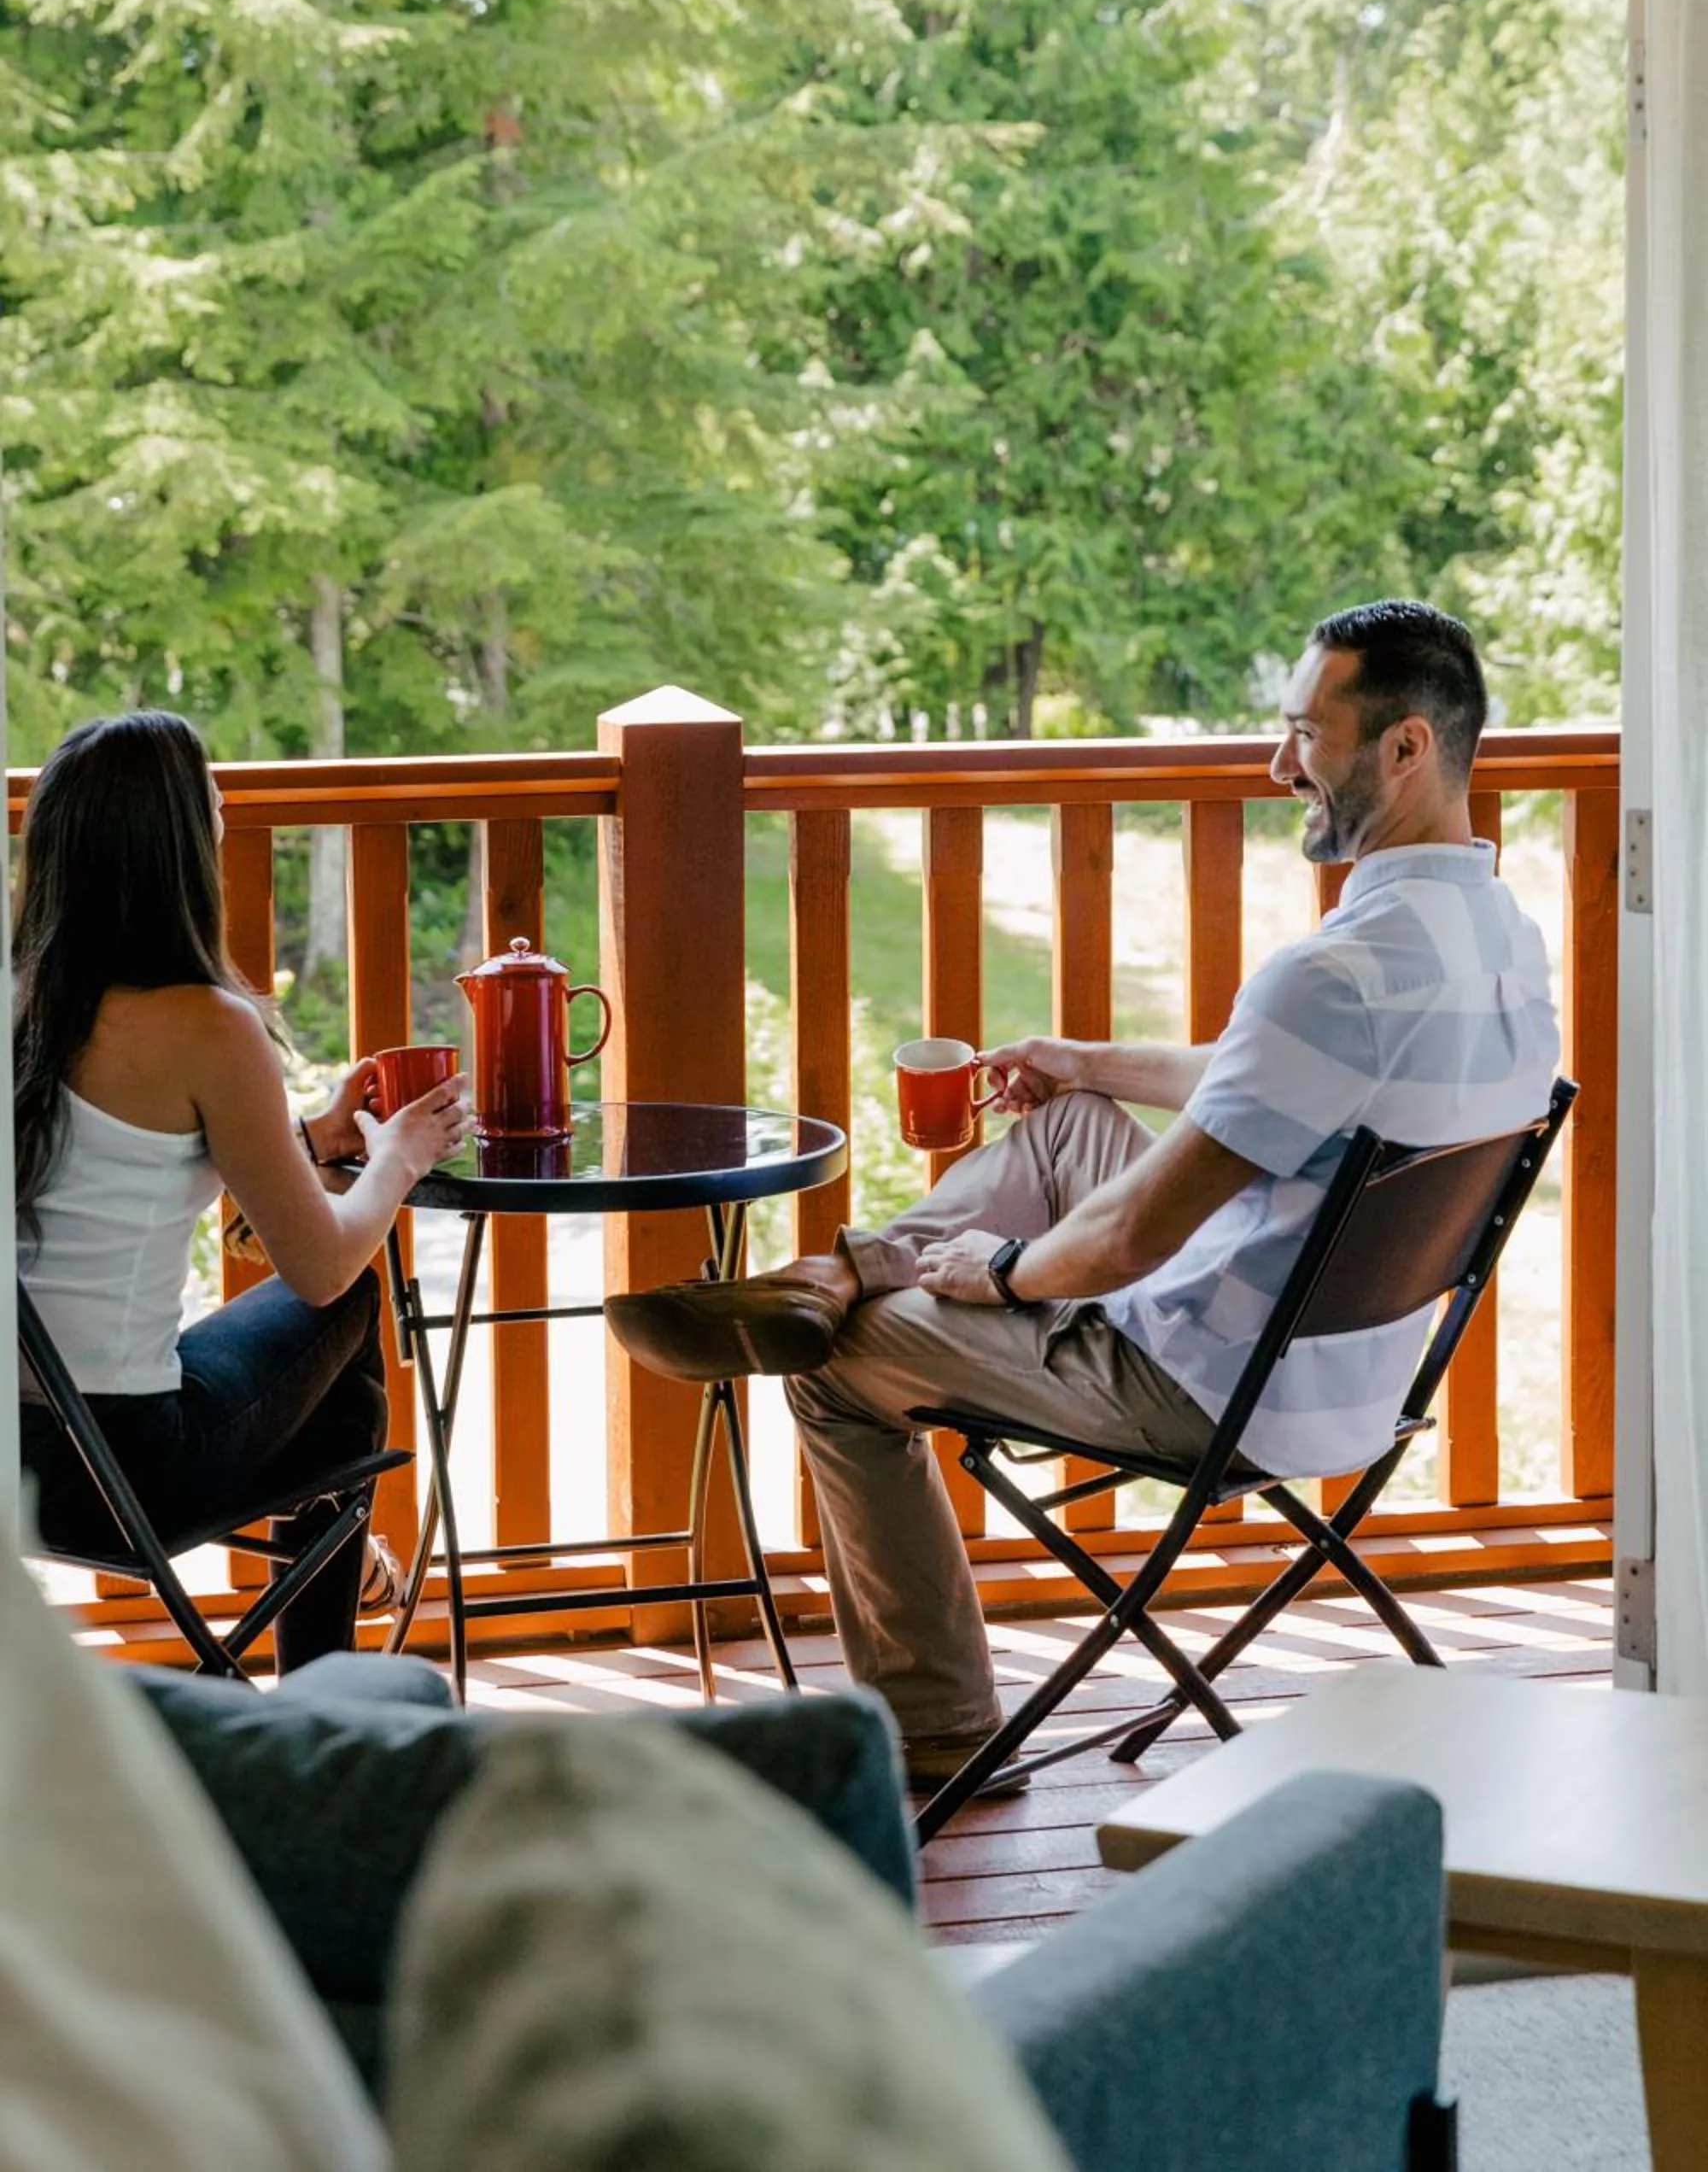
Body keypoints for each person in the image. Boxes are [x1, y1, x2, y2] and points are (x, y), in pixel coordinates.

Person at [609, 600, 1560, 1789]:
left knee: (841, 1364)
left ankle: (936, 1715)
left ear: (1406, 747)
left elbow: (1123, 1239)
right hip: (1355, 1375)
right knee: (1063, 1123)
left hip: (1211, 1384)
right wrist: (1088, 1061)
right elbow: (1261, 1086)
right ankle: (834, 1270)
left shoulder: (1336, 974)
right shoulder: (1501, 942)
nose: (1280, 766)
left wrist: (996, 1274)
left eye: (1306, 736)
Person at [15, 710, 471, 1668]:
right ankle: (324, 1659)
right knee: (351, 1299)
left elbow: (96, 1159)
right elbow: (316, 1265)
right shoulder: (210, 1028)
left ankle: (333, 1587)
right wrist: (397, 1155)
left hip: (19, 1456)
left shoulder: (22, 1000)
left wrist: (301, 1137)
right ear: (181, 841)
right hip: (119, 1464)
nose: (225, 810)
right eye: (213, 799)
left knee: (335, 1412)